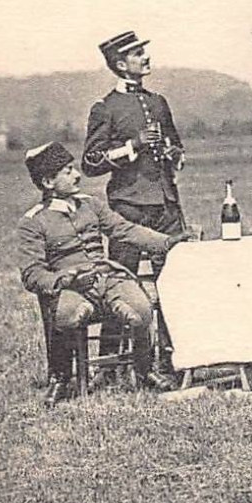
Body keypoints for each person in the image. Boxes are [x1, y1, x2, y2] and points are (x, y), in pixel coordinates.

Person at [17, 142, 187, 403]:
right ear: (48, 182)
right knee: (66, 315)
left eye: (74, 168)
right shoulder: (33, 221)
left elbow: (125, 230)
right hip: (72, 287)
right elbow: (31, 273)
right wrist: (63, 280)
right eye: (67, 171)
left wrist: (166, 242)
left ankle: (144, 372)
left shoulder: (91, 205)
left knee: (141, 309)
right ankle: (61, 378)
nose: (77, 175)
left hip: (108, 279)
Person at [82, 30, 193, 377]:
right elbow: (90, 162)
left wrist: (173, 154)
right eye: (137, 53)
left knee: (176, 281)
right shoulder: (105, 108)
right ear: (120, 64)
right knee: (122, 283)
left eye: (144, 51)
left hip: (166, 206)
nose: (145, 57)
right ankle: (109, 366)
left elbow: (178, 149)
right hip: (128, 209)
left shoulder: (159, 103)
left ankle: (177, 358)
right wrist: (133, 144)